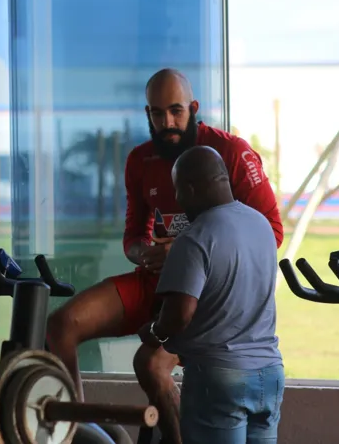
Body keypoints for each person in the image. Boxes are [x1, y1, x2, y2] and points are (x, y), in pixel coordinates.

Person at [46, 68, 283, 443]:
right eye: (157, 114)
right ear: (147, 114)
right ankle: (76, 431)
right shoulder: (140, 159)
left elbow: (270, 233)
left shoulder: (231, 152)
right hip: (157, 279)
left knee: (152, 365)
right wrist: (148, 252)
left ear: (193, 108)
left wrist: (191, 249)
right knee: (61, 325)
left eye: (176, 111)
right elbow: (132, 238)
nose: (167, 122)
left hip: (207, 292)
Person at [139, 145, 283, 444]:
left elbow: (180, 313)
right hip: (270, 374)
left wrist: (154, 332)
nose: (178, 199)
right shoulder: (261, 226)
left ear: (190, 188)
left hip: (219, 378)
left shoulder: (195, 238)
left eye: (178, 190)